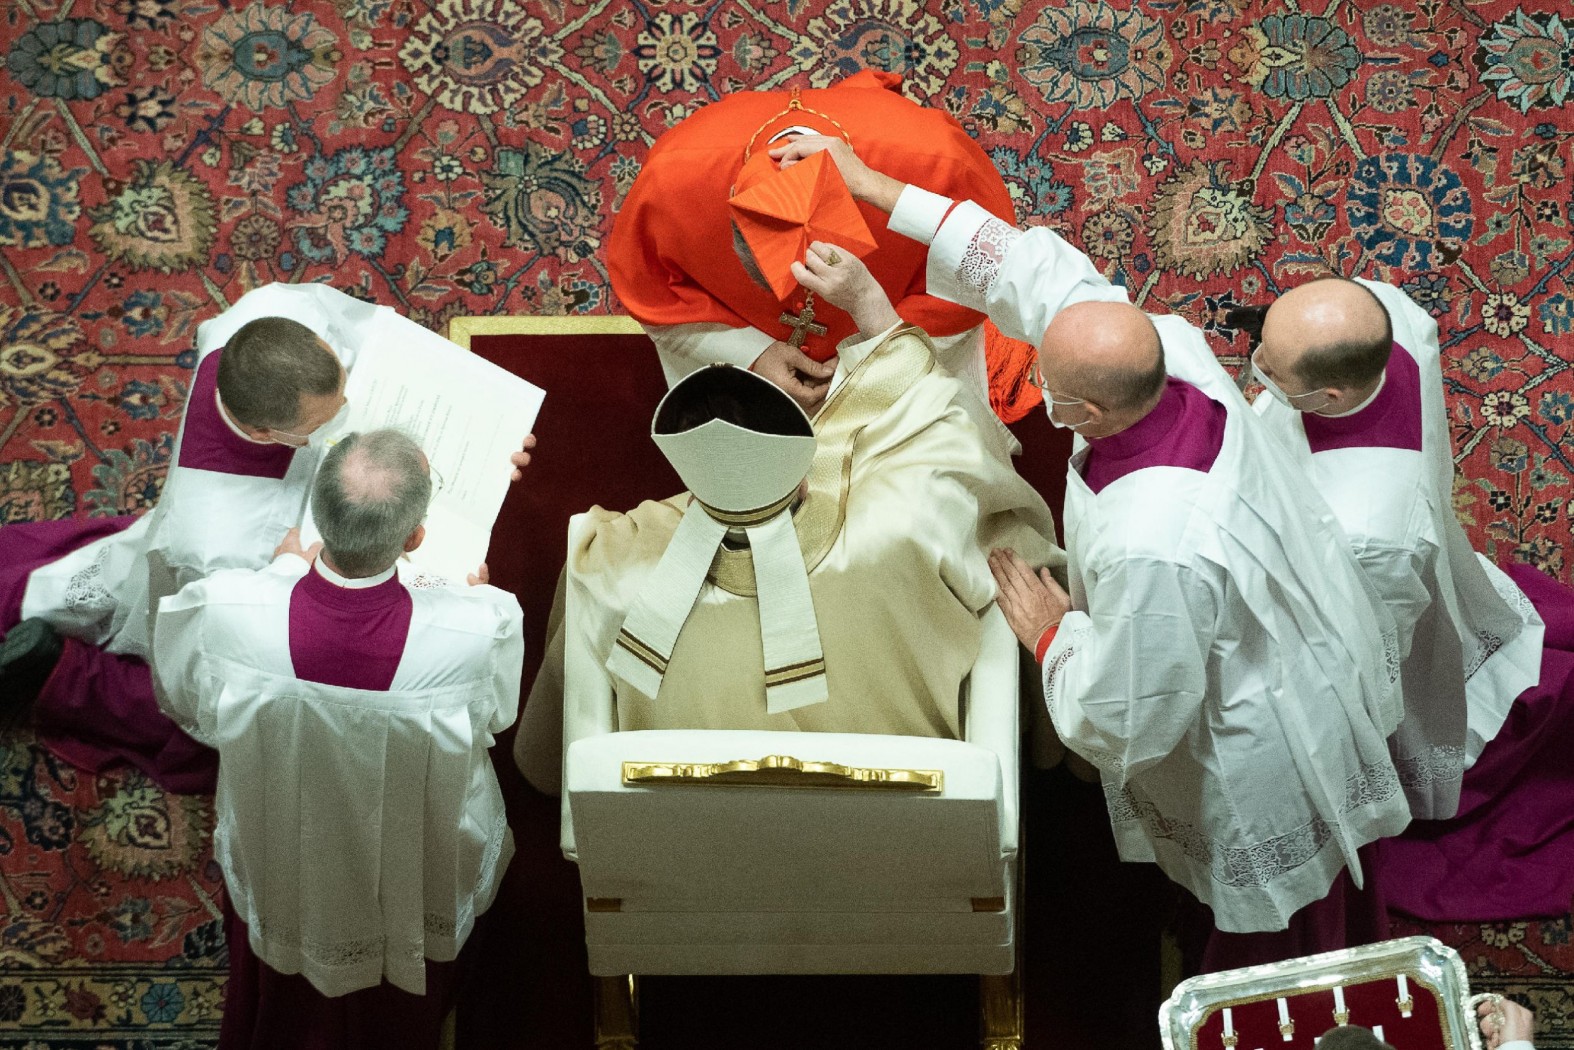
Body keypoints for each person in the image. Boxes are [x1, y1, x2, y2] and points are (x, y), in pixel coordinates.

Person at [776, 137, 1413, 955]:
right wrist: (872, 182)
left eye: (1046, 388)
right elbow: (1031, 270)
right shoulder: (1166, 346)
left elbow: (1134, 712)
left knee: (1257, 921)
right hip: (1260, 599)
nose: (1035, 387)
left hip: (1245, 722)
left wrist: (1052, 631)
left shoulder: (1158, 548)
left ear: (1088, 413)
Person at [516, 247, 1064, 793]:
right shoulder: (908, 525)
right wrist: (871, 309)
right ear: (806, 468)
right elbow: (948, 424)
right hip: (899, 824)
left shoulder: (608, 563)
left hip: (688, 848)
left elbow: (548, 761)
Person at [0, 282, 532, 791]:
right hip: (219, 584)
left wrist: (487, 446)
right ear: (262, 434)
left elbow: (384, 345)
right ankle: (62, 674)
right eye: (327, 421)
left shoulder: (275, 308)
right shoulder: (214, 539)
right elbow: (240, 635)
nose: (350, 415)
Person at [153, 428, 523, 1050]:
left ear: (316, 519)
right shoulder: (480, 625)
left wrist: (280, 573)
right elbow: (496, 720)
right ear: (414, 539)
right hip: (419, 832)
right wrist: (469, 595)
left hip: (285, 818)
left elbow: (188, 704)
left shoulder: (225, 609)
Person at [1244, 278, 1574, 923]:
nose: (1255, 370)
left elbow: (1369, 643)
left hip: (1376, 604)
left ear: (1328, 396)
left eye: (1269, 368)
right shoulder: (1383, 308)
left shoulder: (1369, 531)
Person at [606, 69, 1020, 411]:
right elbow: (650, 288)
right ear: (728, 214)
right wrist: (750, 353)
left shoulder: (940, 163)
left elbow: (984, 272)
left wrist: (879, 346)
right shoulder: (671, 182)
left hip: (893, 312)